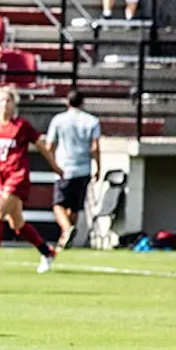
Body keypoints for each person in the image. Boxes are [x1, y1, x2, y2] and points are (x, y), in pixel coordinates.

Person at [0, 85, 62, 274]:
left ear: (14, 104)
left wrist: (55, 167)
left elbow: (41, 146)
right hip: (3, 177)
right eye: (1, 100)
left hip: (18, 177)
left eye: (8, 100)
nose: (5, 104)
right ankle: (47, 251)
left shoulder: (22, 125)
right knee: (16, 223)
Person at [45, 90, 101, 250]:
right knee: (75, 206)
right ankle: (65, 240)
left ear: (67, 103)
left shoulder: (59, 120)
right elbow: (95, 147)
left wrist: (52, 163)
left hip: (64, 167)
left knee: (58, 204)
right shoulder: (92, 121)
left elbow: (50, 145)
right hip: (83, 168)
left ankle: (66, 229)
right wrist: (98, 166)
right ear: (82, 103)